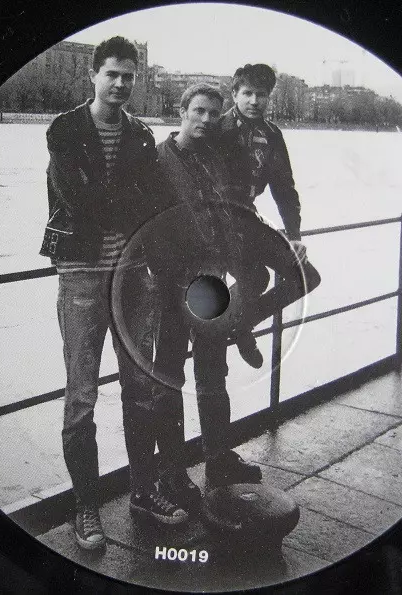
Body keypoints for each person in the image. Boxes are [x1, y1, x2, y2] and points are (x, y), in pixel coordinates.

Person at [39, 36, 189, 551]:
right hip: (82, 274)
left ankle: (143, 492)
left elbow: (156, 203)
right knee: (81, 395)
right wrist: (131, 205)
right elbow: (79, 201)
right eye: (112, 74)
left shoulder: (141, 136)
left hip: (132, 277)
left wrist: (136, 211)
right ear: (93, 75)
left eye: (129, 76)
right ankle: (86, 507)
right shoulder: (65, 130)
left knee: (140, 388)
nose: (121, 84)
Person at [149, 84, 310, 499]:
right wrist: (174, 275)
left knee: (212, 371)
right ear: (182, 111)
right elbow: (150, 228)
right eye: (198, 111)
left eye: (212, 113)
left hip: (212, 282)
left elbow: (232, 213)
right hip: (173, 287)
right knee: (169, 375)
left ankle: (218, 459)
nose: (205, 120)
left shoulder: (216, 158)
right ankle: (172, 471)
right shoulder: (160, 160)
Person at [218, 64, 307, 367]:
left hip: (248, 218)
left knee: (304, 277)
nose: (254, 101)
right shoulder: (217, 128)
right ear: (234, 94)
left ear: (269, 97)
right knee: (256, 277)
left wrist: (294, 235)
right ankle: (231, 326)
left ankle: (240, 324)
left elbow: (285, 189)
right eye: (247, 93)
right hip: (216, 223)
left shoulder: (272, 135)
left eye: (262, 95)